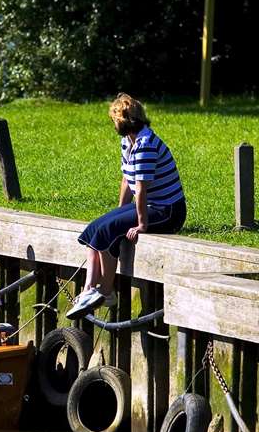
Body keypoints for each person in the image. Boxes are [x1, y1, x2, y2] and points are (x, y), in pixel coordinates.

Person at [66, 93, 186, 319]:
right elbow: (126, 179)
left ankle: (106, 292)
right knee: (94, 228)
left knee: (108, 230)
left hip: (167, 210)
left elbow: (141, 188)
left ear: (122, 120)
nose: (113, 123)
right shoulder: (127, 142)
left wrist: (141, 224)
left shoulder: (145, 144)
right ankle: (89, 289)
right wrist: (119, 212)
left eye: (114, 119)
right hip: (150, 204)